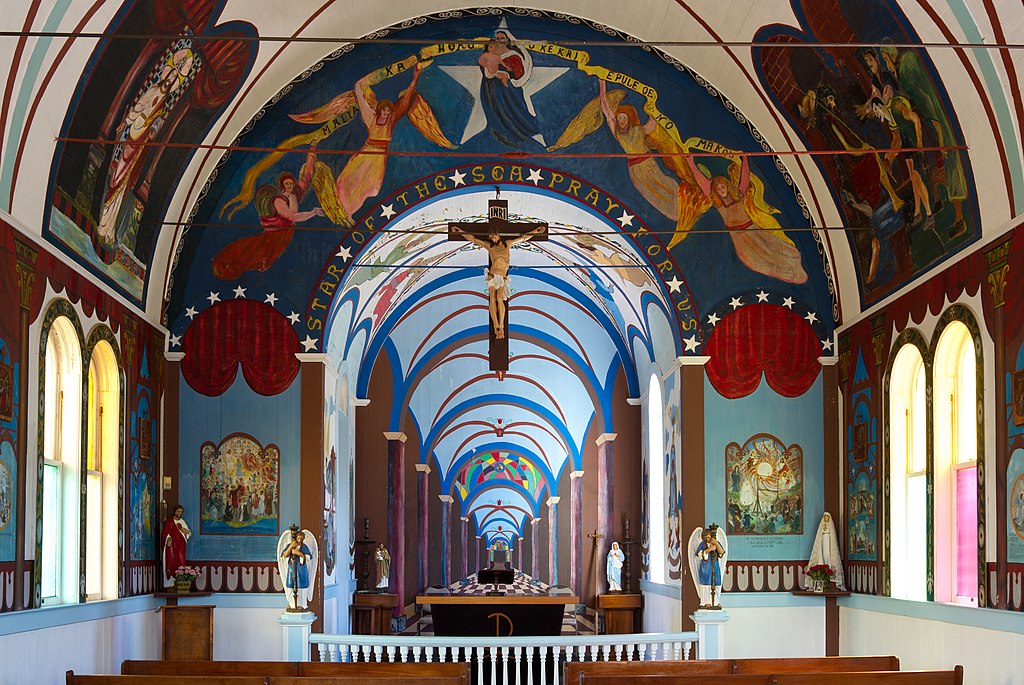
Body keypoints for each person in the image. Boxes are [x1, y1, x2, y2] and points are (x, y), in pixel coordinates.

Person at [211, 143, 324, 280]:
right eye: (287, 183)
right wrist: (313, 212)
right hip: (273, 237)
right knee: (251, 256)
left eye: (291, 183)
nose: (290, 185)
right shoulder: (278, 200)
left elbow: (308, 175)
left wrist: (312, 152)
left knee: (261, 259)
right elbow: (292, 217)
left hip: (284, 236)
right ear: (282, 185)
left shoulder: (296, 193)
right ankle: (227, 267)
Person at [450, 223, 546, 338]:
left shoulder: (507, 244)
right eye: (491, 237)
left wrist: (536, 231)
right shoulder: (490, 246)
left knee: (499, 298)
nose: (493, 238)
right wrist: (459, 231)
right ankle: (496, 325)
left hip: (502, 277)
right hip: (492, 275)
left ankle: (501, 325)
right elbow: (474, 239)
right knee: (493, 298)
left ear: (498, 234)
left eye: (494, 236)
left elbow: (523, 238)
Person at [805, 512, 846, 590]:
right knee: (822, 555)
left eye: (827, 517)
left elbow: (833, 539)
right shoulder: (821, 527)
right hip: (823, 543)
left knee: (828, 555)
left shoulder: (831, 528)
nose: (826, 519)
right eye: (825, 517)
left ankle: (828, 569)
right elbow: (818, 538)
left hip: (828, 543)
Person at [281, 530, 312, 610]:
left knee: (302, 586)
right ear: (295, 538)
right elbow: (285, 555)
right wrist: (291, 547)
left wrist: (299, 553)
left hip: (301, 569)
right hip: (292, 569)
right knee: (291, 585)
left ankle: (302, 604)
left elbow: (308, 557)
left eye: (302, 539)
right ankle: (292, 604)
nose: (300, 541)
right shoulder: (290, 545)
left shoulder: (304, 547)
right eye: (298, 538)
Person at [695, 526, 725, 608]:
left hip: (715, 565)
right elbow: (700, 554)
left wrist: (716, 544)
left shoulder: (716, 542)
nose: (707, 539)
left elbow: (721, 553)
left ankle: (715, 602)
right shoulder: (702, 544)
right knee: (706, 583)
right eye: (705, 537)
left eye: (708, 537)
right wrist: (710, 549)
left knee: (717, 582)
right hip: (706, 567)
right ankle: (705, 601)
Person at [161, 504, 191, 588]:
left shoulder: (182, 521)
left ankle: (180, 583)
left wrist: (186, 532)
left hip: (180, 546)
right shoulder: (169, 522)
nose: (179, 513)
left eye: (181, 512)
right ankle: (170, 584)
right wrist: (168, 539)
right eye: (178, 511)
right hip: (171, 547)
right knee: (170, 562)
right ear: (174, 511)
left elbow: (188, 533)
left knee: (181, 562)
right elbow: (165, 534)